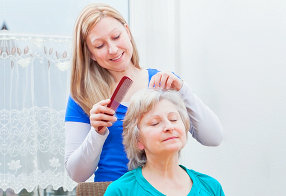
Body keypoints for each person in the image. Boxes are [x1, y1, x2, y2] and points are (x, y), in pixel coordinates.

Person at [64, 3, 223, 183]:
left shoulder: (164, 84)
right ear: (90, 53)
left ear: (127, 32)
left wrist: (183, 90)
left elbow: (214, 137)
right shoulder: (82, 96)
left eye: (116, 36)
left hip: (162, 189)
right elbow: (77, 174)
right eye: (100, 45)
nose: (113, 50)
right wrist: (97, 133)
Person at [104, 89, 225, 195]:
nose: (169, 127)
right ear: (138, 140)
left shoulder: (211, 187)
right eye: (155, 123)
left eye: (173, 119)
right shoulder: (121, 191)